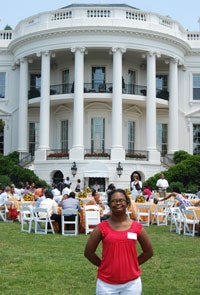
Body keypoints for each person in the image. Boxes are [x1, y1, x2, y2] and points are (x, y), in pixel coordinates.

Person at [84, 189, 153, 295]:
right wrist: (104, 265)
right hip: (106, 285)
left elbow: (148, 252)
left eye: (121, 200)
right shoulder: (101, 228)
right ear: (109, 204)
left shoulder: (136, 227)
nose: (118, 203)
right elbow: (88, 252)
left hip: (132, 284)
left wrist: (132, 264)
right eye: (114, 201)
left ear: (127, 203)